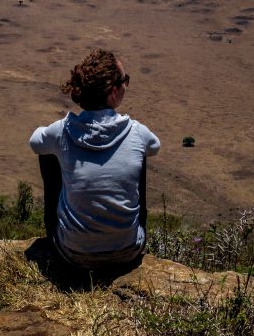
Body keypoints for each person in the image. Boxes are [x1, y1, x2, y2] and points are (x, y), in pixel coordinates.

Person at [29, 49, 161, 270]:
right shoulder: (136, 131)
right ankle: (129, 229)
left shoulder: (62, 131)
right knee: (141, 153)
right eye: (125, 81)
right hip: (128, 251)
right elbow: (154, 146)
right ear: (113, 92)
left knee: (49, 153)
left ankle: (59, 228)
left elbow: (35, 142)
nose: (126, 85)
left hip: (72, 253)